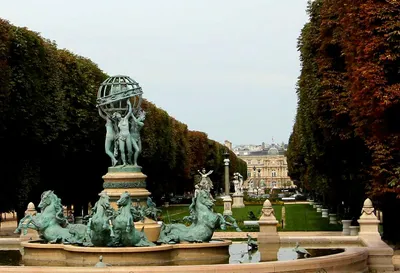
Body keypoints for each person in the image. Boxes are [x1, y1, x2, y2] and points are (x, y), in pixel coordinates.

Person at [113, 99, 134, 166]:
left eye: (118, 114)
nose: (118, 115)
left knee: (130, 150)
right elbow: (116, 130)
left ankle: (129, 160)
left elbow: (130, 112)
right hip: (121, 136)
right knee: (122, 150)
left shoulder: (125, 118)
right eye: (116, 115)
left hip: (127, 135)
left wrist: (129, 104)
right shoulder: (117, 123)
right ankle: (124, 162)